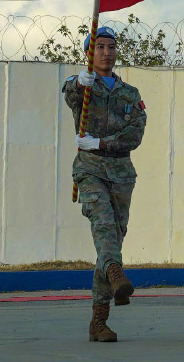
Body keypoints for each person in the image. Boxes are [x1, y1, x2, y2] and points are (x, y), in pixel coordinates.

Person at [61, 25, 147, 342]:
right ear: (89, 53)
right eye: (99, 47)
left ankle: (99, 321)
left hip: (121, 171)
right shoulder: (83, 86)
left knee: (112, 240)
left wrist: (101, 142)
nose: (106, 53)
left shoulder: (130, 94)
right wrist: (77, 82)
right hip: (91, 169)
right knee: (104, 226)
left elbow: (135, 133)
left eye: (110, 47)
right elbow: (70, 93)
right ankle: (115, 273)